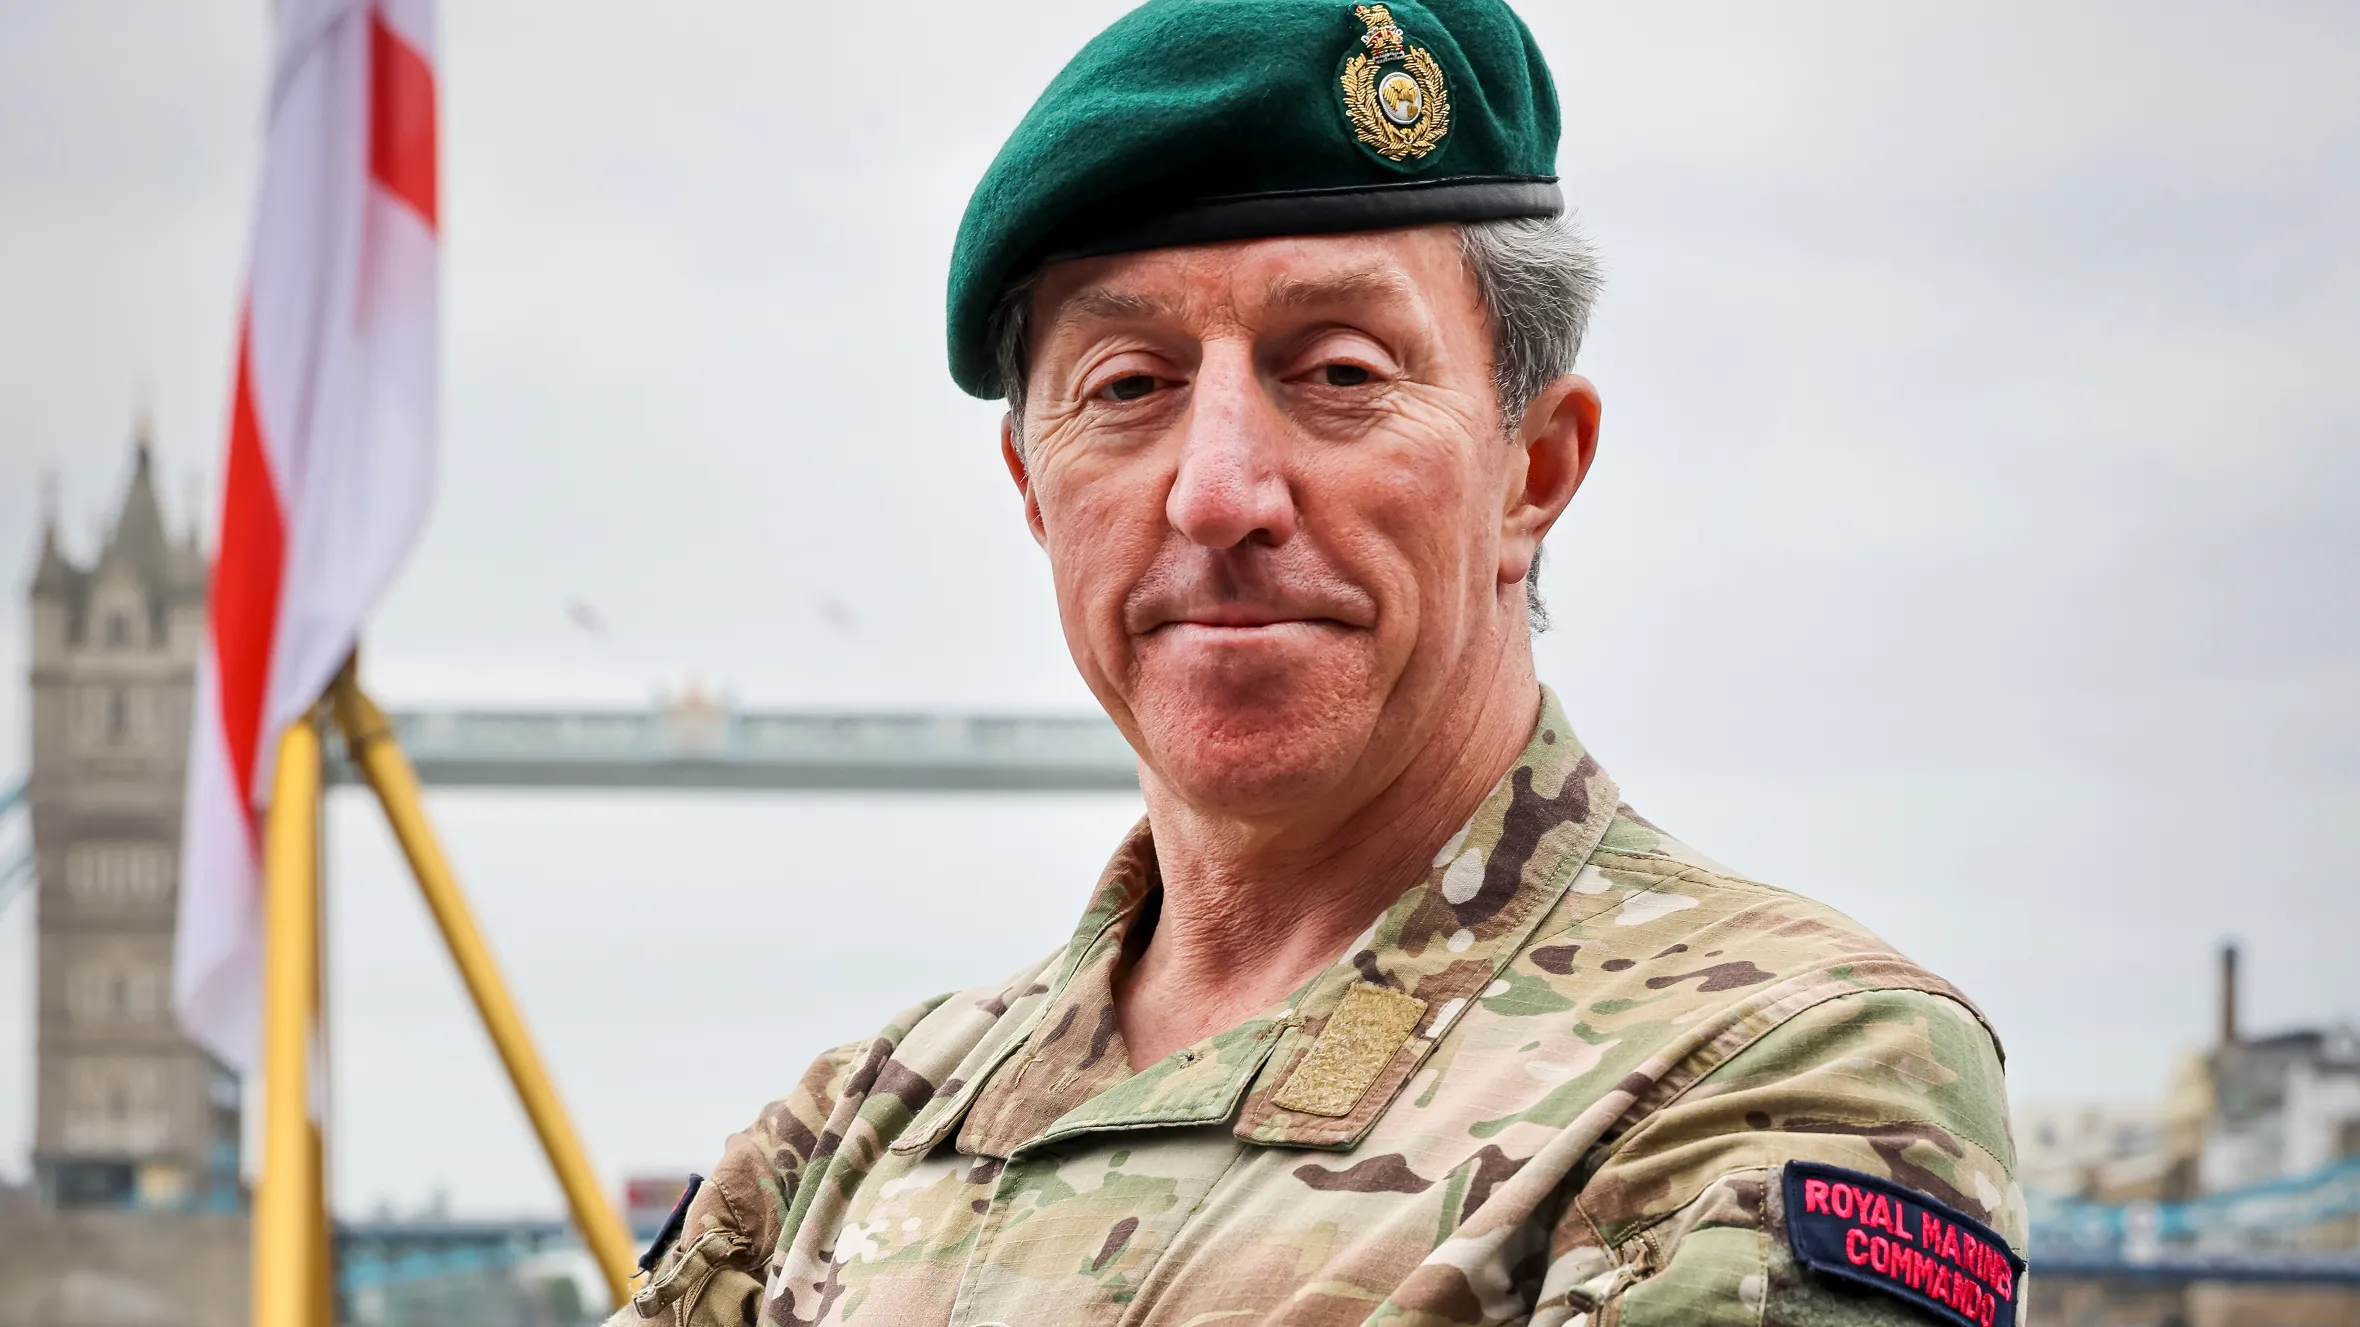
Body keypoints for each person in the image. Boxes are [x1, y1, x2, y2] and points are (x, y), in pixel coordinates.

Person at [614, 2, 2024, 1323]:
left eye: (1339, 370)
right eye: (1128, 388)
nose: (1219, 490)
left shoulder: (1778, 1074)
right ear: (1033, 489)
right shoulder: (855, 1134)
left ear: (1533, 469)